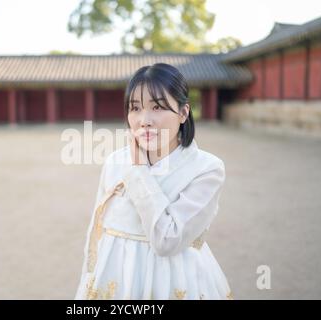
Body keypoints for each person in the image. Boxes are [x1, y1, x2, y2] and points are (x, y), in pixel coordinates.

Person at [74, 63, 233, 300]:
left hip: (173, 279)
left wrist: (138, 170)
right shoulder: (115, 161)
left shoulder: (207, 169)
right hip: (116, 277)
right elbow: (96, 232)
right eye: (135, 108)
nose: (144, 120)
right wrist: (90, 277)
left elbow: (167, 241)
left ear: (183, 112)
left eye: (157, 107)